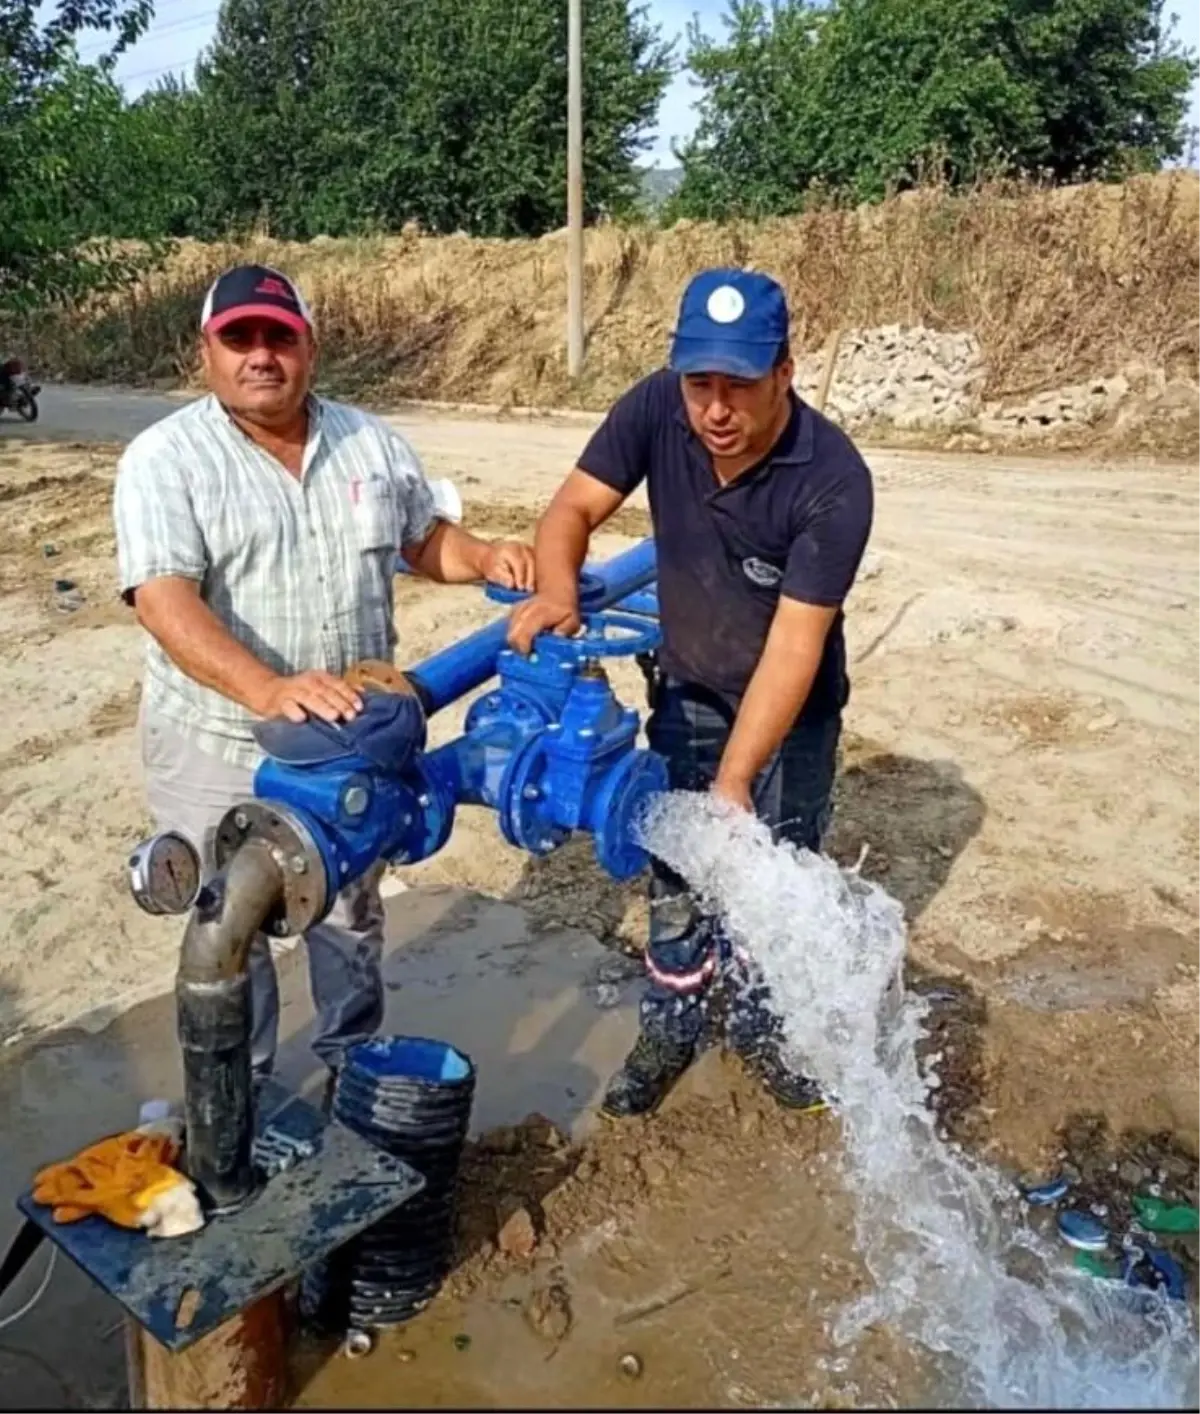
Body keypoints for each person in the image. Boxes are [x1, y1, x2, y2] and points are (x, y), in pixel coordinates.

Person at [113, 263, 535, 1092]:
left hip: (347, 747)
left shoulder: (369, 443)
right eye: (240, 339)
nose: (261, 356)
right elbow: (163, 600)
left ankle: (353, 1071)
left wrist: (484, 555)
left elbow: (422, 541)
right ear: (207, 352)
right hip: (219, 744)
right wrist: (267, 689)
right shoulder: (166, 460)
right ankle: (245, 1097)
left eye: (280, 337)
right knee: (227, 931)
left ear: (310, 346)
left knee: (346, 916)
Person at [507, 268, 874, 1120]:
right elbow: (571, 508)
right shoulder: (655, 408)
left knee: (771, 868)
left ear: (785, 371)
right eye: (699, 383)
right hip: (688, 687)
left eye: (738, 387)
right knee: (675, 874)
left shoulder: (833, 480)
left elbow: (794, 645)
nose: (714, 409)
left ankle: (761, 1025)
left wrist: (737, 779)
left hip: (791, 711)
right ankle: (671, 1023)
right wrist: (560, 585)